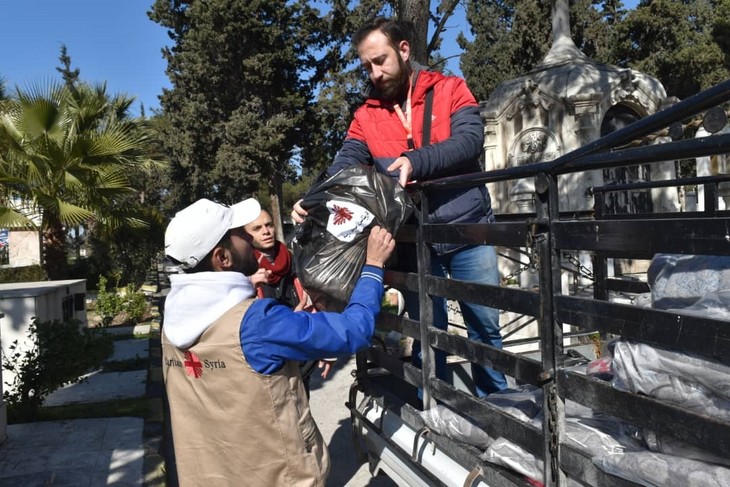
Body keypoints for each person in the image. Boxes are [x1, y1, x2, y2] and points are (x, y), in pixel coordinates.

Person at [292, 17, 507, 397]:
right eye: (367, 66)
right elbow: (345, 163)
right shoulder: (366, 115)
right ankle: (436, 410)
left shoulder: (451, 88)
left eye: (381, 61)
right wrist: (312, 199)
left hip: (468, 228)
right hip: (411, 240)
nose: (375, 73)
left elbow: (470, 141)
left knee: (484, 326)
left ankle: (499, 406)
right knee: (428, 328)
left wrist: (414, 161)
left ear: (404, 50)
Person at [162, 198, 395, 486]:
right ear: (222, 258)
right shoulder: (258, 322)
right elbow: (354, 330)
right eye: (240, 234)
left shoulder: (172, 323)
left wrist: (298, 340)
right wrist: (373, 265)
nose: (249, 238)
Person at [244, 206, 327, 395]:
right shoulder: (244, 269)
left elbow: (315, 303)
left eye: (269, 225)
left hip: (300, 355)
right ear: (246, 236)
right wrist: (247, 285)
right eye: (257, 229)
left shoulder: (292, 259)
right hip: (269, 365)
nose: (266, 231)